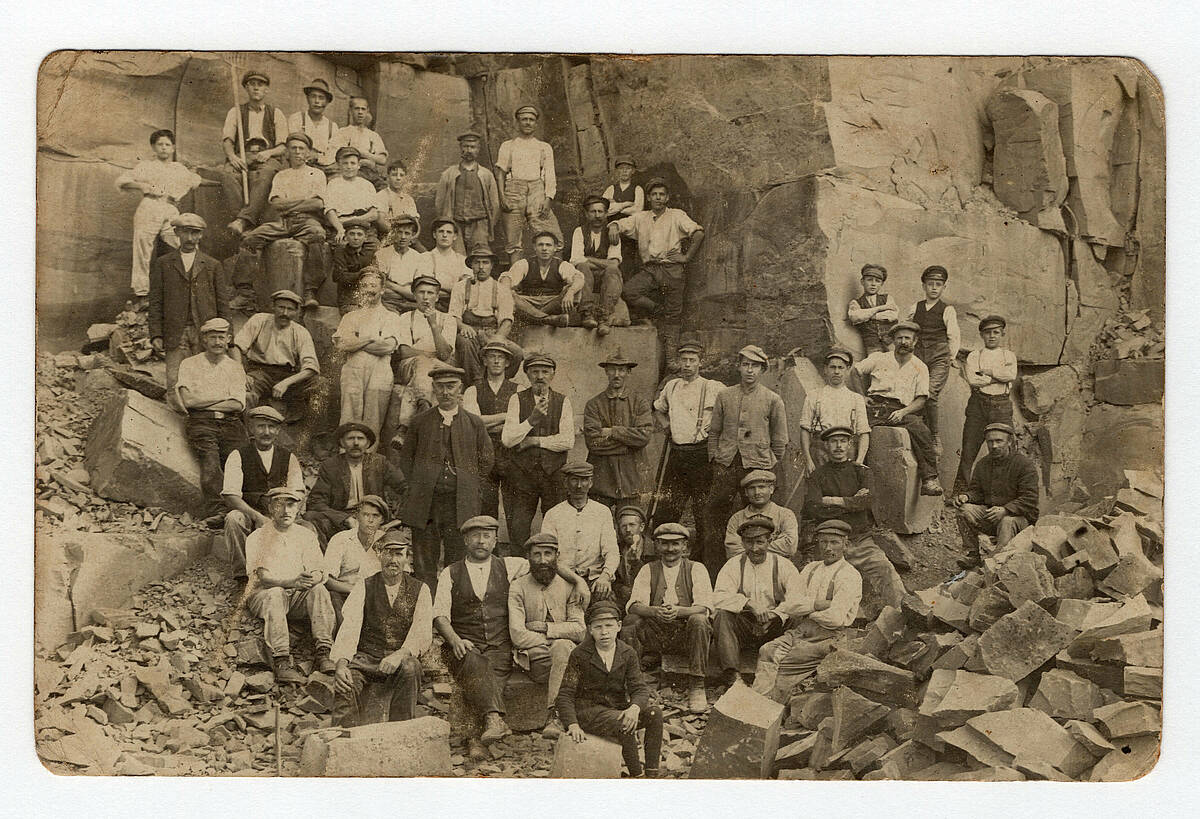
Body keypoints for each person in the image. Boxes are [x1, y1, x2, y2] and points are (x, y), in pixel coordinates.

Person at [432, 516, 528, 759]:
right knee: (473, 662)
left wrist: (577, 581)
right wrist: (454, 640)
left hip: (499, 646)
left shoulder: (511, 565)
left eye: (486, 536)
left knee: (474, 682)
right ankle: (495, 719)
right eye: (475, 536)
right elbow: (440, 615)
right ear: (466, 540)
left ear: (495, 541)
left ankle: (475, 741)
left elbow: (546, 561)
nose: (481, 541)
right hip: (461, 647)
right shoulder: (450, 572)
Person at [397, 365, 493, 587]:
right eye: (440, 387)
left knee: (457, 560)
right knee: (423, 561)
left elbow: (486, 460)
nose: (446, 392)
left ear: (460, 389)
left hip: (459, 504)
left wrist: (470, 486)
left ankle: (451, 610)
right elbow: (406, 458)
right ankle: (424, 608)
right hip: (426, 503)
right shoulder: (420, 422)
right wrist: (419, 485)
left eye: (451, 386)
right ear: (433, 389)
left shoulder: (474, 423)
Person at [331, 527, 432, 727]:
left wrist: (400, 654)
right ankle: (342, 738)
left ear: (407, 558)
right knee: (346, 680)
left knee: (411, 667)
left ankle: (399, 732)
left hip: (399, 659)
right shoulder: (365, 585)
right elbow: (350, 627)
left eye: (398, 554)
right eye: (388, 553)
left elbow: (421, 633)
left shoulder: (421, 589)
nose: (393, 560)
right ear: (379, 555)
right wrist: (341, 663)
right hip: (367, 658)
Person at [751, 520, 863, 699]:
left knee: (786, 662)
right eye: (823, 542)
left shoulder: (849, 575)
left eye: (834, 542)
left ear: (845, 545)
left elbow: (835, 618)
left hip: (829, 638)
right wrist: (819, 604)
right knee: (767, 650)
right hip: (801, 631)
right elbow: (790, 604)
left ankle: (767, 707)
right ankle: (757, 704)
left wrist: (805, 608)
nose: (828, 548)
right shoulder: (810, 569)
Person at [704, 345, 788, 577]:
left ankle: (757, 572)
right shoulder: (725, 395)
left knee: (756, 518)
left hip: (758, 467)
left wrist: (768, 462)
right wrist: (715, 457)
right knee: (714, 514)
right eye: (746, 365)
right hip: (727, 464)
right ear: (739, 367)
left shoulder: (773, 400)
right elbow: (714, 432)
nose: (750, 370)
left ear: (762, 370)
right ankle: (715, 573)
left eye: (755, 366)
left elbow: (780, 439)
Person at [557, 600, 663, 778]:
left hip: (616, 708)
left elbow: (639, 689)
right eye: (598, 627)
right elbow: (565, 694)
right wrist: (572, 724)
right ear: (590, 629)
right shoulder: (580, 654)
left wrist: (634, 708)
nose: (604, 632)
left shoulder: (627, 652)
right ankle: (637, 775)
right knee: (622, 721)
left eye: (609, 626)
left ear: (619, 626)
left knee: (654, 713)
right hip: (589, 712)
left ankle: (652, 773)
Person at [803, 427, 906, 608]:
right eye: (833, 441)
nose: (838, 446)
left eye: (843, 441)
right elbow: (813, 509)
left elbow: (866, 502)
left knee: (886, 569)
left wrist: (834, 501)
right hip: (831, 542)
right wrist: (852, 504)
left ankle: (904, 613)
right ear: (826, 445)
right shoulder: (817, 476)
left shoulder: (862, 472)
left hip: (861, 540)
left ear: (850, 444)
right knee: (816, 583)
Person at [244, 487, 336, 684]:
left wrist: (312, 577)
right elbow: (262, 576)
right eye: (279, 504)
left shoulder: (306, 535)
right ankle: (282, 660)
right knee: (276, 593)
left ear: (298, 508)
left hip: (296, 595)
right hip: (265, 595)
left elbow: (319, 569)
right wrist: (290, 582)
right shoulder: (258, 537)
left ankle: (324, 652)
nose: (285, 510)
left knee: (319, 590)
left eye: (291, 504)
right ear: (270, 508)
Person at [621, 523, 714, 712]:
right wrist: (655, 611)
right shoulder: (648, 569)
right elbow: (633, 605)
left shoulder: (697, 569)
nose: (670, 549)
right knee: (631, 622)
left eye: (676, 544)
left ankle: (697, 685)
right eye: (664, 544)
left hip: (686, 636)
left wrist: (679, 611)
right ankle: (632, 684)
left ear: (685, 547)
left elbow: (704, 607)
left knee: (699, 620)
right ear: (656, 546)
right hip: (656, 634)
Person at [610, 177, 704, 353]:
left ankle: (671, 358)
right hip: (651, 269)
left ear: (667, 197)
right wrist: (614, 225)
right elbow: (621, 224)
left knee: (674, 316)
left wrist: (686, 257)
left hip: (672, 269)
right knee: (629, 291)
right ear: (648, 197)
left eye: (662, 194)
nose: (658, 198)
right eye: (654, 194)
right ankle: (658, 310)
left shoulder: (676, 215)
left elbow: (698, 232)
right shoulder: (641, 217)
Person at [508, 532, 588, 739]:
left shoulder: (570, 586)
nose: (543, 560)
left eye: (548, 554)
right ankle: (557, 714)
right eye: (537, 555)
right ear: (528, 557)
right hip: (535, 661)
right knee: (562, 646)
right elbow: (518, 635)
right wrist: (559, 637)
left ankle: (555, 714)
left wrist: (546, 628)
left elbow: (580, 630)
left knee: (562, 648)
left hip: (567, 658)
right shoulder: (518, 587)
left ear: (557, 556)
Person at [147, 213, 231, 404]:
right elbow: (156, 301)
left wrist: (226, 335)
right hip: (175, 332)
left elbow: (223, 303)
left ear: (201, 235)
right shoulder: (163, 264)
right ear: (176, 233)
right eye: (186, 232)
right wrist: (156, 334)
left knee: (206, 380)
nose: (190, 238)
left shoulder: (212, 265)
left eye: (195, 233)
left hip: (205, 332)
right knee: (174, 381)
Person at [853, 322, 943, 496]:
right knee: (859, 432)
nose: (903, 342)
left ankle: (929, 480)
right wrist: (861, 397)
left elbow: (921, 399)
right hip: (875, 407)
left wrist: (903, 412)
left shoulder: (920, 367)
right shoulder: (879, 358)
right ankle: (858, 482)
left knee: (922, 432)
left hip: (902, 409)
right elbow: (854, 372)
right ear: (893, 340)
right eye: (899, 338)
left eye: (907, 338)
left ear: (915, 342)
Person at [650, 340, 721, 563]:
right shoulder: (671, 386)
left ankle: (702, 563)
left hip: (701, 455)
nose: (687, 365)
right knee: (667, 509)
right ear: (678, 362)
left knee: (703, 514)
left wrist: (716, 428)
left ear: (700, 363)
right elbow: (658, 409)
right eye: (684, 360)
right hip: (677, 454)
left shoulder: (713, 387)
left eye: (692, 360)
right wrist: (666, 426)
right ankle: (661, 559)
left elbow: (728, 411)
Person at [711, 515, 804, 685]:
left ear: (770, 541)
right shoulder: (733, 565)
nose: (754, 548)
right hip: (746, 627)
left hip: (775, 628)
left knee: (797, 617)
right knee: (722, 616)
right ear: (742, 542)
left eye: (760, 542)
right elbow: (718, 597)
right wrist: (747, 603)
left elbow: (797, 598)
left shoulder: (783, 565)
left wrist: (775, 614)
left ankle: (791, 670)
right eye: (748, 542)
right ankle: (732, 674)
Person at [235, 133, 328, 301]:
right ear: (287, 152)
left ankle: (310, 290)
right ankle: (244, 292)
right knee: (251, 238)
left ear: (308, 152)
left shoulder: (317, 174)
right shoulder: (281, 175)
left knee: (317, 235)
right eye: (294, 148)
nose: (298, 152)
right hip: (283, 221)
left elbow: (318, 204)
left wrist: (289, 205)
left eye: (302, 148)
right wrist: (304, 200)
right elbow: (276, 204)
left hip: (307, 221)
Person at [499, 353, 575, 553]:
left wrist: (534, 440)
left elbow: (568, 441)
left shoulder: (563, 401)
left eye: (545, 371)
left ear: (553, 374)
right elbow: (508, 439)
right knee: (519, 528)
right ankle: (520, 571)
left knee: (556, 527)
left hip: (554, 475)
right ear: (527, 375)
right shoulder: (517, 399)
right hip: (523, 475)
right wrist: (531, 420)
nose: (540, 376)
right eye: (534, 371)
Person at [176, 317, 247, 526]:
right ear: (204, 340)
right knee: (210, 463)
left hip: (231, 423)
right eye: (212, 337)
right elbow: (188, 402)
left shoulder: (235, 367)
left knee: (241, 462)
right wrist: (221, 400)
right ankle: (217, 511)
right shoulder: (189, 364)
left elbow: (237, 405)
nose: (217, 342)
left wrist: (203, 402)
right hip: (202, 423)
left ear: (228, 340)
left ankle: (245, 510)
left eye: (221, 337)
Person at [221, 406, 304, 581]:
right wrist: (257, 517)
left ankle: (291, 574)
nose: (266, 432)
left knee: (307, 528)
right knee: (233, 519)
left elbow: (298, 492)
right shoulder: (238, 455)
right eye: (261, 426)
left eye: (271, 427)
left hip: (280, 513)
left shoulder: (289, 457)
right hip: (250, 513)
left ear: (278, 430)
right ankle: (244, 576)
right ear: (251, 429)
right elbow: (231, 495)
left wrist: (281, 515)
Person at [116, 129, 202, 299]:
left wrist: (218, 181)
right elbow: (122, 181)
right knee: (142, 249)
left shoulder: (179, 168)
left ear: (173, 148)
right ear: (153, 148)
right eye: (160, 144)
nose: (164, 148)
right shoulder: (145, 166)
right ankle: (141, 292)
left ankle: (194, 284)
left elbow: (195, 180)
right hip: (150, 206)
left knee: (185, 240)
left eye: (167, 144)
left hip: (170, 208)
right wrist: (141, 186)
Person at [952, 423, 1040, 568]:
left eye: (999, 441)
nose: (994, 446)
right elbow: (977, 492)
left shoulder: (1024, 465)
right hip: (992, 516)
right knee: (963, 510)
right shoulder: (983, 464)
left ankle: (997, 564)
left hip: (1019, 520)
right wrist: (966, 497)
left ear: (1009, 442)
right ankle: (973, 555)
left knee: (1007, 522)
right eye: (990, 441)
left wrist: (1006, 510)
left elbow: (1030, 499)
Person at [386, 275, 458, 445]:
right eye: (421, 292)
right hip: (410, 365)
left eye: (430, 293)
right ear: (414, 295)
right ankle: (424, 407)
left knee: (424, 368)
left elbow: (445, 355)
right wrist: (429, 356)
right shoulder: (405, 318)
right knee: (423, 363)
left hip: (438, 367)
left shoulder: (448, 320)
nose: (426, 297)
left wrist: (433, 325)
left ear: (437, 297)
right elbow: (404, 351)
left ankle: (403, 428)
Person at [306, 422, 406, 543]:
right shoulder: (331, 466)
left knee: (396, 541)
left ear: (368, 443)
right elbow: (316, 501)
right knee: (311, 517)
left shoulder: (380, 462)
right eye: (350, 438)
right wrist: (345, 519)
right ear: (342, 443)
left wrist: (399, 519)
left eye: (360, 438)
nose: (356, 443)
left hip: (374, 518)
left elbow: (405, 487)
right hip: (342, 520)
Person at [230, 289, 319, 421]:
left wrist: (286, 383)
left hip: (288, 375)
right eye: (281, 307)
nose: (285, 313)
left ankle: (311, 435)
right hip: (259, 372)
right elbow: (237, 346)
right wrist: (240, 372)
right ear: (273, 306)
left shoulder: (301, 332)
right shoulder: (259, 320)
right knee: (245, 393)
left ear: (296, 312)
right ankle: (251, 436)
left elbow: (311, 368)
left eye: (290, 309)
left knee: (321, 386)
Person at [333, 271, 403, 438]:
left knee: (373, 418)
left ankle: (369, 460)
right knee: (349, 416)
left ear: (382, 289)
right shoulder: (350, 316)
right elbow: (342, 344)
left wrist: (356, 342)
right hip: (353, 370)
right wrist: (371, 338)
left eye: (373, 285)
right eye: (364, 285)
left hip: (380, 371)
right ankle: (345, 457)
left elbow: (387, 347)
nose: (369, 289)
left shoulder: (391, 317)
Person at [221, 70, 289, 237]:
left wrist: (269, 153)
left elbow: (282, 146)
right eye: (252, 84)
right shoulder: (235, 111)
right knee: (227, 173)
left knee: (266, 173)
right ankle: (242, 220)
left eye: (261, 85)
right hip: (243, 155)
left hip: (268, 156)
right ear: (246, 88)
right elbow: (227, 140)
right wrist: (232, 157)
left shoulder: (276, 113)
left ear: (267, 89)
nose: (256, 88)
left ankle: (243, 220)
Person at [583, 350, 653, 513]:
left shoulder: (639, 402)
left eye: (621, 370)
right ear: (606, 371)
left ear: (628, 372)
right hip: (602, 478)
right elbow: (593, 443)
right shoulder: (594, 404)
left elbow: (644, 437)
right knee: (600, 527)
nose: (617, 374)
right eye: (612, 369)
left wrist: (612, 431)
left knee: (630, 527)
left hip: (632, 478)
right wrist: (629, 445)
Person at [541, 462, 620, 599]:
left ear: (590, 483)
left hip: (595, 581)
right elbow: (549, 556)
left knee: (605, 617)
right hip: (562, 580)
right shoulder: (553, 514)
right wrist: (576, 580)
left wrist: (605, 576)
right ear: (566, 483)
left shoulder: (602, 512)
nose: (579, 486)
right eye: (574, 480)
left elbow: (612, 550)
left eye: (584, 480)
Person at [904, 265, 960, 453]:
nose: (934, 288)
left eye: (938, 284)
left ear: (944, 287)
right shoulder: (915, 307)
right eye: (930, 284)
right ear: (924, 286)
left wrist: (951, 357)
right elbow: (907, 328)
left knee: (929, 393)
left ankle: (935, 435)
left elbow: (953, 335)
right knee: (912, 393)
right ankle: (918, 431)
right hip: (918, 356)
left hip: (938, 356)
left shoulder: (947, 310)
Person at [958, 315, 1017, 492]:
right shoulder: (975, 355)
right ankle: (962, 494)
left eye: (996, 332)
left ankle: (1009, 493)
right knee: (968, 451)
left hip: (1001, 405)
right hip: (978, 405)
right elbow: (973, 380)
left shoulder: (1009, 355)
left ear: (1002, 334)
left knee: (1008, 449)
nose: (992, 336)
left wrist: (989, 372)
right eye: (987, 333)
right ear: (981, 335)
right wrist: (998, 377)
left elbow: (1011, 375)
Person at [496, 105, 562, 263]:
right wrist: (502, 197)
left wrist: (548, 198)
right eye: (524, 119)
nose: (527, 123)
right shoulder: (508, 145)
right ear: (518, 122)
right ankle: (515, 282)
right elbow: (500, 174)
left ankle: (555, 277)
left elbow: (550, 174)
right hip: (513, 190)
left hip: (536, 190)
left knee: (552, 235)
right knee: (513, 241)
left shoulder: (543, 147)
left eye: (531, 120)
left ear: (536, 124)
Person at [463, 341, 521, 519]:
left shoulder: (519, 390)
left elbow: (521, 423)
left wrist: (487, 422)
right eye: (492, 356)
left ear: (507, 363)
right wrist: (507, 416)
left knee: (514, 507)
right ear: (485, 361)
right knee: (486, 505)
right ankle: (491, 547)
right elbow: (474, 423)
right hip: (483, 451)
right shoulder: (473, 390)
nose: (496, 361)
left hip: (513, 453)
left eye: (501, 357)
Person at [451, 246, 517, 383]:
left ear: (492, 265)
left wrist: (498, 338)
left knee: (517, 352)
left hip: (492, 332)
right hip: (469, 331)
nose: (481, 267)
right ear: (471, 265)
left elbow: (507, 320)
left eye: (485, 263)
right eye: (477, 262)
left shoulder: (501, 289)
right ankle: (476, 382)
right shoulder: (460, 287)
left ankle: (501, 382)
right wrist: (462, 326)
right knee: (464, 343)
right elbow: (453, 315)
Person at [799, 347, 869, 474]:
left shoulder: (856, 399)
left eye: (841, 367)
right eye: (832, 367)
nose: (836, 371)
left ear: (847, 370)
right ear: (825, 370)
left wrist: (859, 461)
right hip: (820, 451)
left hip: (847, 451)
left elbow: (864, 432)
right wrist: (808, 460)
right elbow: (805, 429)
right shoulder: (813, 396)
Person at [323, 495, 391, 619]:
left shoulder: (387, 542)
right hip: (344, 593)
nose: (370, 520)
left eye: (376, 516)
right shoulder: (341, 539)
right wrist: (354, 590)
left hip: (375, 597)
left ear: (382, 520)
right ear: (357, 516)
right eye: (365, 515)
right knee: (333, 598)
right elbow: (327, 579)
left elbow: (400, 577)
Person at [322, 147, 381, 290]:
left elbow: (374, 214)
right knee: (341, 248)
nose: (349, 167)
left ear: (359, 165)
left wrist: (356, 221)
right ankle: (348, 285)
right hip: (340, 226)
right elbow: (330, 212)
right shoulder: (333, 184)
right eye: (345, 163)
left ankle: (368, 285)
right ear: (339, 165)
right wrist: (340, 228)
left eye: (353, 163)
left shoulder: (366, 185)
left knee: (374, 246)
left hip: (363, 225)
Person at [434, 131, 501, 254]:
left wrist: (489, 225)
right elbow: (440, 202)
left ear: (478, 149)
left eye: (473, 147)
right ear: (460, 148)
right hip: (455, 224)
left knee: (479, 256)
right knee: (457, 257)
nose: (469, 150)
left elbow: (495, 204)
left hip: (479, 224)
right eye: (466, 146)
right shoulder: (449, 174)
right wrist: (446, 222)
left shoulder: (486, 175)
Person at [508, 231, 589, 328]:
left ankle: (535, 317)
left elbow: (578, 278)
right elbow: (508, 278)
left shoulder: (561, 264)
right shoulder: (524, 264)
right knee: (509, 294)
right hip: (529, 302)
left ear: (555, 248)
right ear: (534, 247)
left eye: (548, 245)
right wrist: (507, 285)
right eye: (540, 245)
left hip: (553, 303)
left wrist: (570, 292)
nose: (544, 249)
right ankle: (547, 319)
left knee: (575, 290)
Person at [569, 195, 624, 335]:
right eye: (593, 212)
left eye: (601, 212)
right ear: (587, 214)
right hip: (585, 278)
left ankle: (604, 318)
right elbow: (576, 260)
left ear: (606, 214)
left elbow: (614, 263)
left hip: (604, 279)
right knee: (582, 267)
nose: (597, 215)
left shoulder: (613, 234)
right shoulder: (579, 231)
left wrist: (589, 259)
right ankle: (587, 313)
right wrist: (600, 263)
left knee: (612, 271)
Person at [723, 470, 799, 561]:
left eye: (761, 487)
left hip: (777, 568)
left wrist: (751, 548)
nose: (757, 492)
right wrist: (767, 547)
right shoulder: (737, 518)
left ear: (771, 489)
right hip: (746, 569)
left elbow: (789, 546)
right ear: (746, 492)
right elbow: (733, 550)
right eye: (752, 488)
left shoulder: (785, 515)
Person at [376, 215, 434, 314]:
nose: (403, 237)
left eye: (407, 233)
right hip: (389, 303)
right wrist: (407, 291)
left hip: (412, 303)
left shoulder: (418, 258)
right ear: (393, 233)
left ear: (412, 235)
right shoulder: (382, 254)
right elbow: (381, 285)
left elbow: (418, 291)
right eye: (399, 232)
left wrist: (393, 286)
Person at [332, 97, 388, 188]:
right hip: (348, 173)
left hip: (370, 174)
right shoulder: (342, 132)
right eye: (357, 108)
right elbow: (339, 156)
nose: (360, 112)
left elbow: (382, 159)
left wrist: (363, 154)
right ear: (350, 111)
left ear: (367, 111)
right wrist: (368, 161)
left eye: (363, 109)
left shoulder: (373, 135)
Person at [287, 78, 338, 172]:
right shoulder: (296, 118)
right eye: (313, 96)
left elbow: (333, 153)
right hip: (300, 165)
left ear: (326, 102)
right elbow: (292, 146)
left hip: (325, 167)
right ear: (307, 99)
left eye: (321, 98)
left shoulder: (332, 126)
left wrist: (318, 157)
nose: (317, 101)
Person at [846, 264, 898, 355]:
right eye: (869, 280)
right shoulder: (855, 303)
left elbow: (892, 315)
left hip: (891, 340)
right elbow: (855, 317)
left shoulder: (888, 298)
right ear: (862, 282)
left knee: (894, 362)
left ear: (881, 284)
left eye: (877, 281)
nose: (873, 284)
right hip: (871, 343)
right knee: (875, 364)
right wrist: (881, 308)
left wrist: (867, 315)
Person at [374, 159, 423, 247]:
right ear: (388, 177)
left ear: (405, 178)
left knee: (424, 255)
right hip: (388, 237)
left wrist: (412, 236)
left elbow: (415, 221)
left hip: (407, 237)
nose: (398, 178)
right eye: (394, 175)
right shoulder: (381, 196)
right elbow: (381, 221)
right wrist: (397, 235)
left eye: (401, 175)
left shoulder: (408, 199)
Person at [612, 505, 650, 611]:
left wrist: (637, 563)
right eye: (623, 526)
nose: (628, 530)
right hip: (622, 599)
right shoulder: (616, 549)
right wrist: (620, 588)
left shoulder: (654, 550)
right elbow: (614, 579)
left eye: (632, 525)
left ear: (641, 527)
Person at [330, 226, 377, 312]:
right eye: (352, 234)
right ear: (346, 236)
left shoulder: (369, 254)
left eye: (359, 234)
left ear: (365, 237)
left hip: (368, 296)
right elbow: (339, 276)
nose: (356, 238)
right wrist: (361, 273)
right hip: (348, 299)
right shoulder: (340, 252)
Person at [424, 218, 472, 302]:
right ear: (434, 235)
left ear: (455, 236)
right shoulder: (425, 257)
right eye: (441, 231)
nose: (445, 235)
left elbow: (466, 288)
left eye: (449, 232)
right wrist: (456, 287)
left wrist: (439, 284)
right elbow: (427, 286)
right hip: (433, 304)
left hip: (457, 304)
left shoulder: (462, 260)